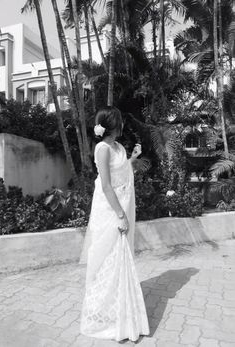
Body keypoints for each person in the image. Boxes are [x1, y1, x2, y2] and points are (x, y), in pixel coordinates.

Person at [79, 106, 150, 342]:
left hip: (123, 203)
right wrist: (120, 214)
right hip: (110, 208)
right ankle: (103, 312)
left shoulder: (119, 147)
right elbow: (107, 185)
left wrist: (132, 159)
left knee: (121, 256)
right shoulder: (102, 148)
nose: (123, 126)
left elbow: (121, 173)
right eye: (119, 122)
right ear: (112, 125)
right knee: (107, 256)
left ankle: (119, 310)